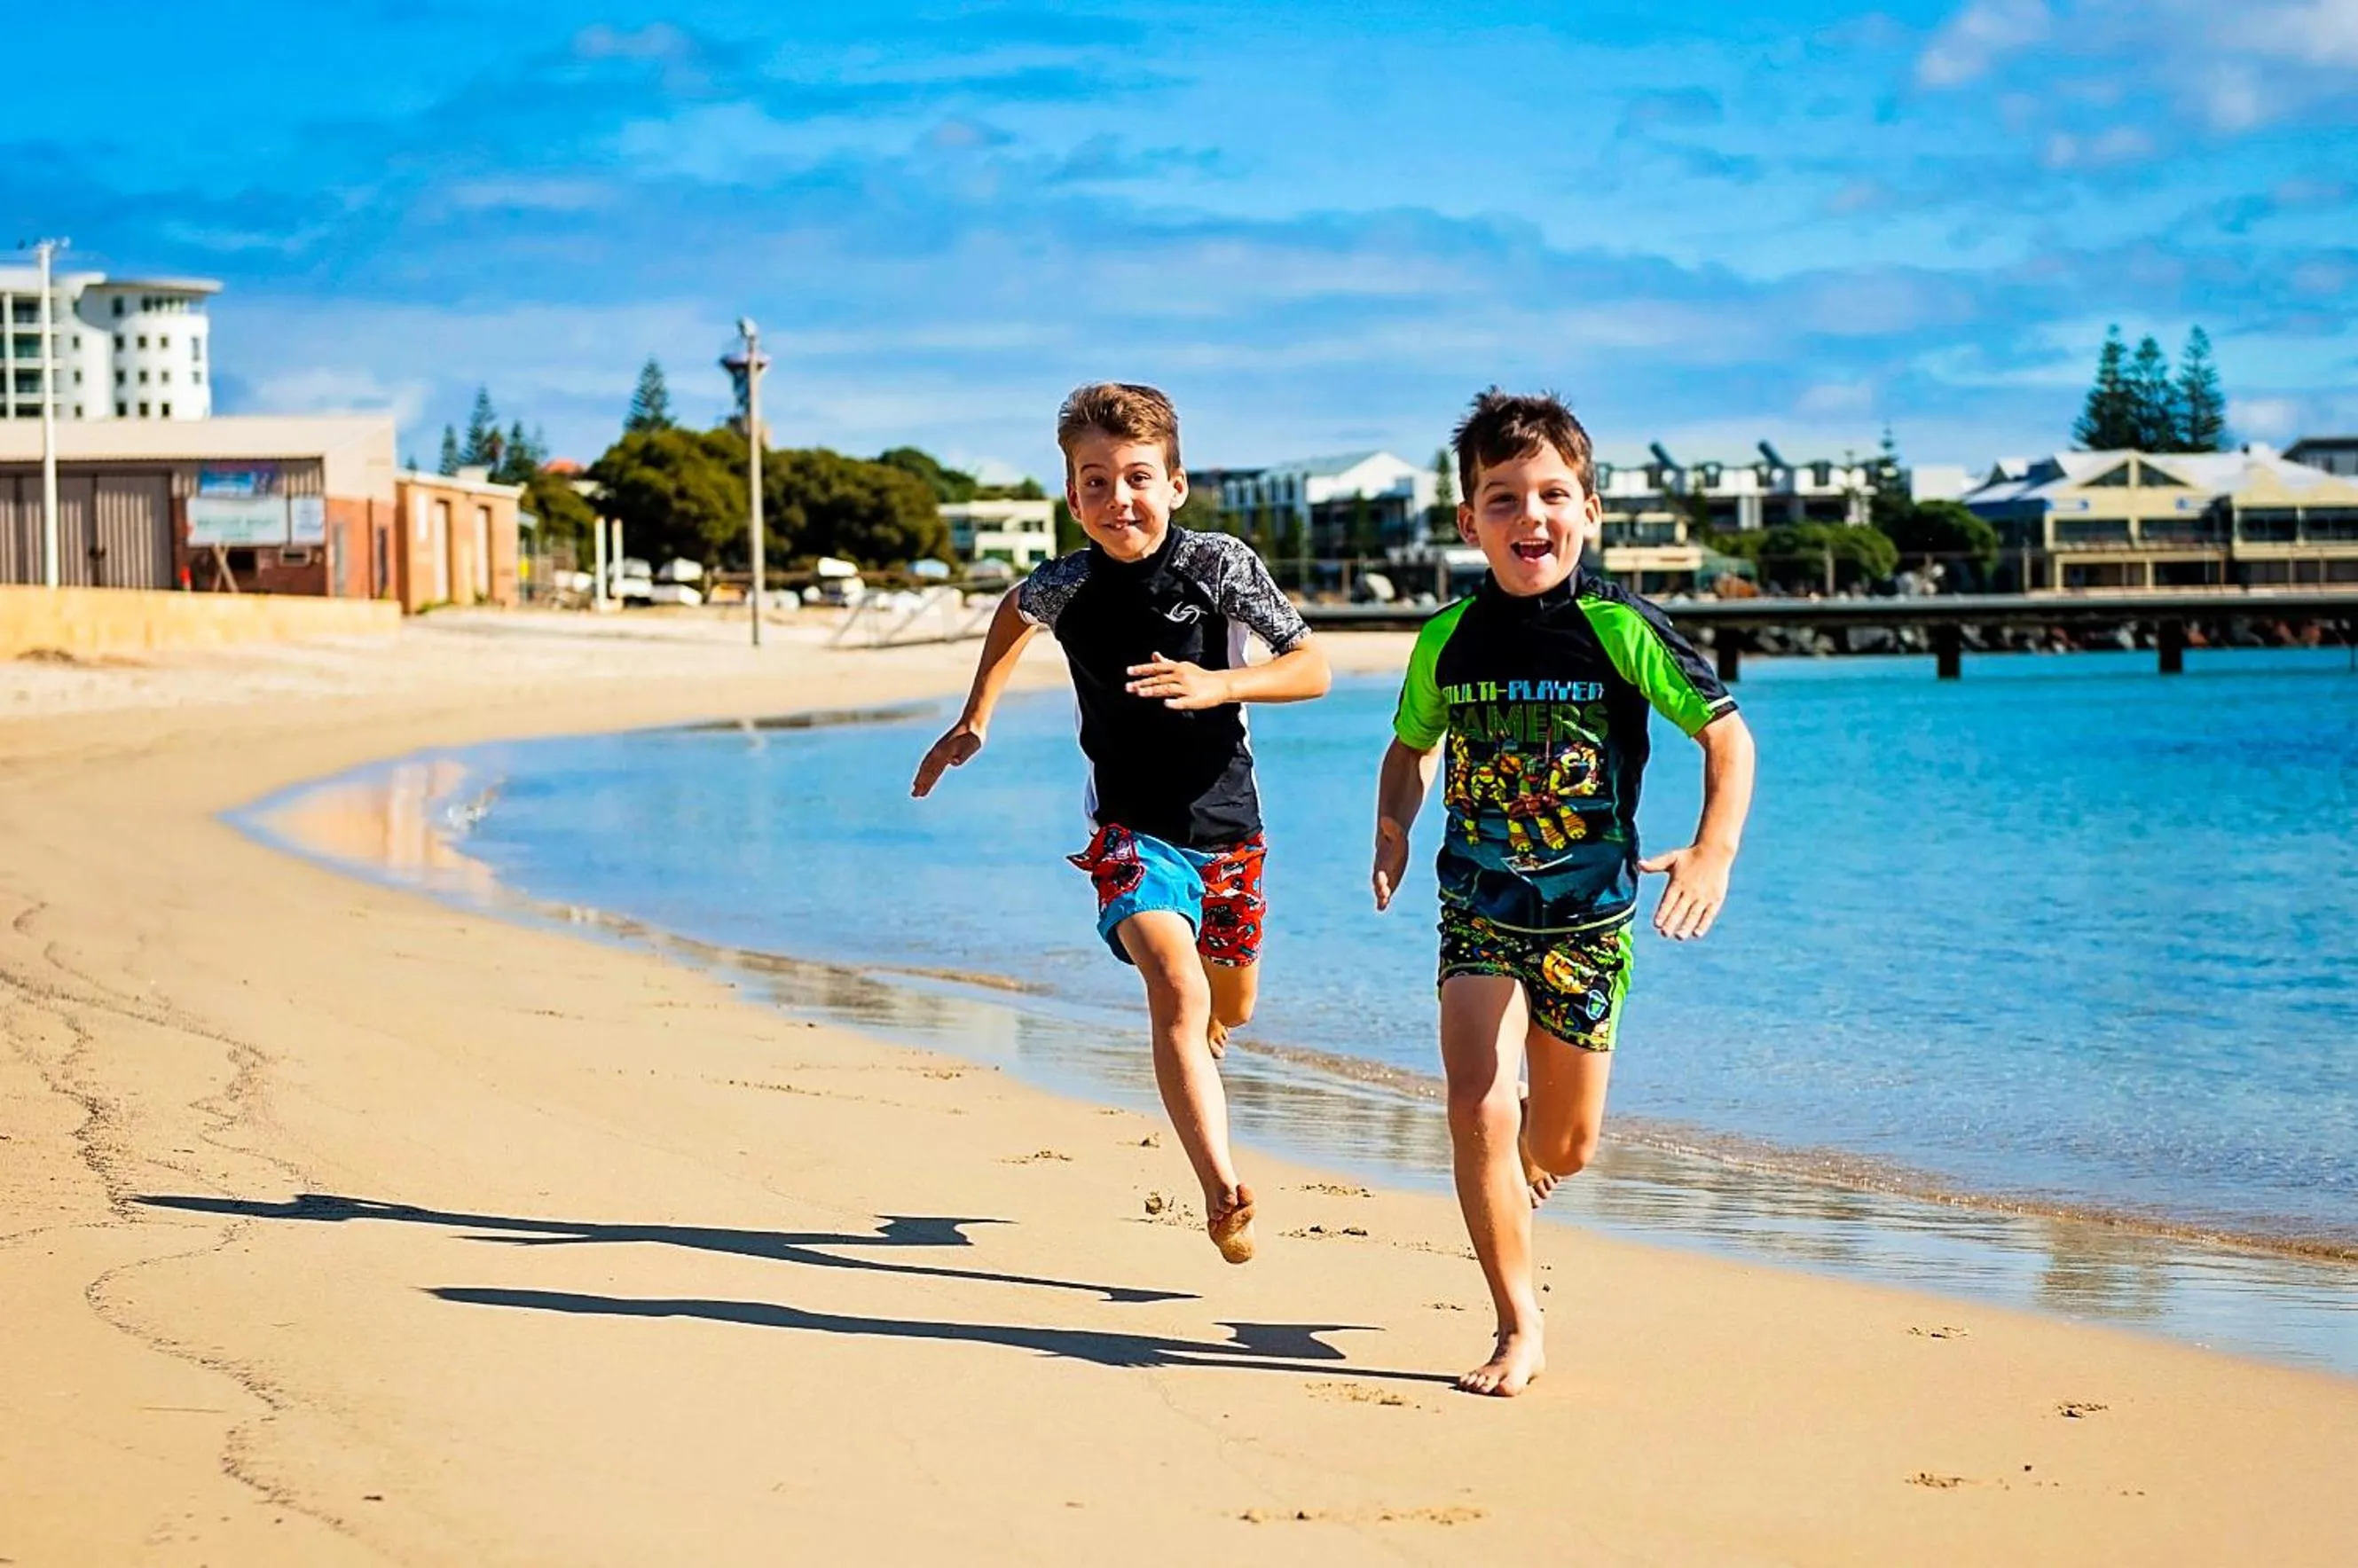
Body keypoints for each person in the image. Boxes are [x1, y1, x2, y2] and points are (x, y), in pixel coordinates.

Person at [1372, 388, 1756, 1394]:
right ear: (1468, 523)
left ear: (1588, 511)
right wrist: (1393, 825)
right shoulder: (1447, 638)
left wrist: (1713, 851)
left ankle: (1539, 1151)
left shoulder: (1619, 629)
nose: (1528, 517)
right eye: (1502, 499)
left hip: (1589, 919)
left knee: (1568, 1146)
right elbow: (1409, 747)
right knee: (1475, 1105)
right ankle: (1517, 1325)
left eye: (1551, 495)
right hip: (1479, 906)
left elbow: (1726, 735)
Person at [912, 381, 1332, 1264]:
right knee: (1175, 989)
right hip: (1129, 833)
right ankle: (1221, 1189)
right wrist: (974, 714)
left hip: (1229, 830)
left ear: (1175, 484)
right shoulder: (1067, 584)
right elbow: (1012, 614)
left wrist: (1220, 685)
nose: (1117, 498)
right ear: (1072, 497)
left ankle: (1211, 1035)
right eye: (1093, 481)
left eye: (1137, 476)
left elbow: (1311, 666)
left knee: (1232, 1003)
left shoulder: (1218, 565)